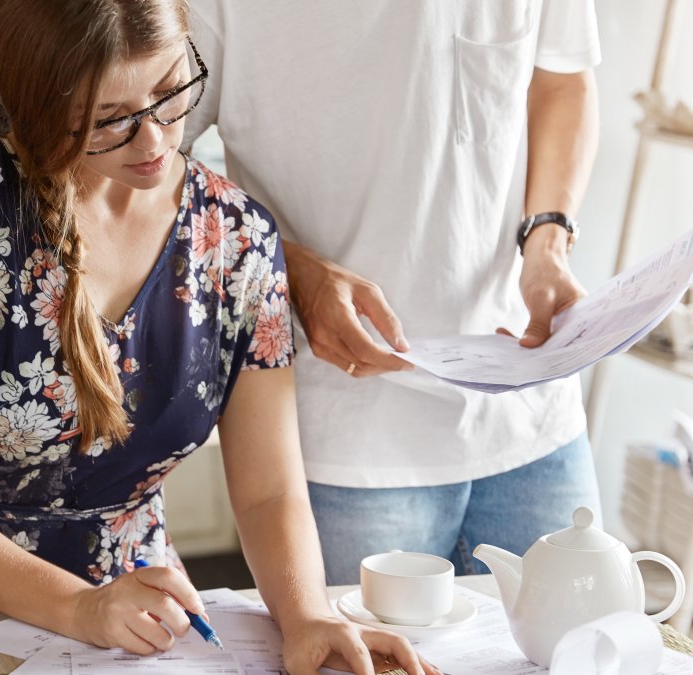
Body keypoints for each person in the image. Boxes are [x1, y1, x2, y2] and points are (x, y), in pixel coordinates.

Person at [0, 1, 437, 672]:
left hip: (143, 622)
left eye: (170, 93)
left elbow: (270, 488)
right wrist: (79, 607)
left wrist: (309, 615)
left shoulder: (239, 240)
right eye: (112, 120)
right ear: (41, 105)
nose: (155, 141)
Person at [183, 1, 601, 584]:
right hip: (344, 436)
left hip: (532, 414)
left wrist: (548, 237)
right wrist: (291, 271)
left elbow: (562, 81)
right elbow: (147, 156)